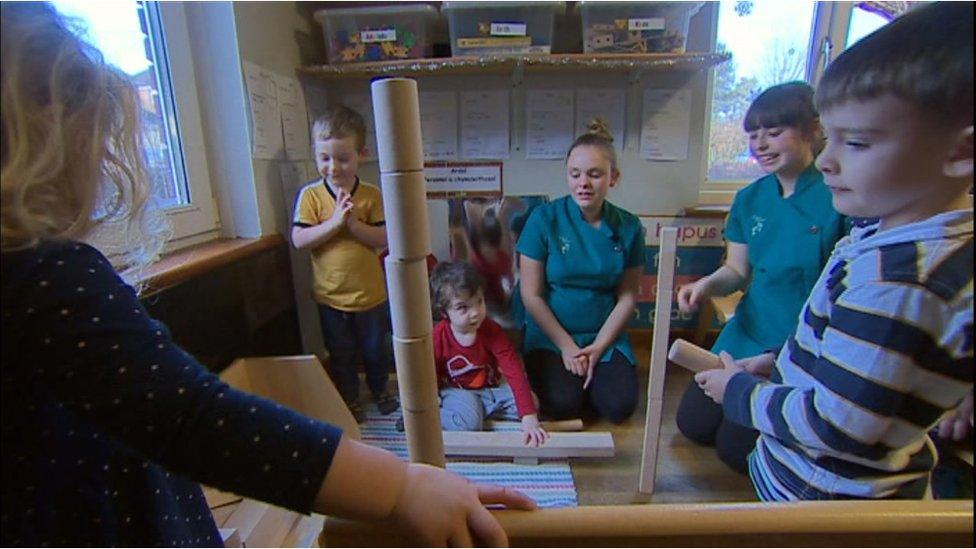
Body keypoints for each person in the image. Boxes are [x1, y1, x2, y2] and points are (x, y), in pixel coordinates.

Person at [0, 3, 535, 546]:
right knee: (347, 358)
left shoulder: (37, 276)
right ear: (52, 143)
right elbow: (197, 419)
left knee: (375, 357)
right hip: (96, 520)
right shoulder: (42, 280)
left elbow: (180, 417)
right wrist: (397, 488)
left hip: (367, 301)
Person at [695, 1, 973, 500]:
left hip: (825, 499)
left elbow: (838, 426)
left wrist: (742, 394)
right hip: (817, 470)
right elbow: (853, 351)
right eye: (833, 137)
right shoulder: (891, 238)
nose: (828, 162)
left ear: (961, 152)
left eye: (858, 143)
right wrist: (780, 360)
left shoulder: (901, 280)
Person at [674, 82, 848, 473]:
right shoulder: (750, 199)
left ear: (812, 130)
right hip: (748, 328)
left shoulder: (837, 196)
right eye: (753, 135)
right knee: (694, 425)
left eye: (773, 133)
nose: (761, 145)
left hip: (798, 339)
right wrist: (703, 286)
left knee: (734, 452)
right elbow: (736, 272)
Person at [517, 119, 645, 423]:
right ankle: (575, 382)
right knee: (562, 405)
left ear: (613, 178)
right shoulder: (543, 219)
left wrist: (598, 348)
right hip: (552, 336)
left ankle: (592, 378)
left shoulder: (629, 226)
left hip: (604, 335)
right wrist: (567, 348)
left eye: (594, 174)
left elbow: (627, 296)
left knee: (619, 408)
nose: (583, 183)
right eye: (575, 174)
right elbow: (531, 295)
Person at [292, 105, 398, 421]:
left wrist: (353, 225)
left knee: (376, 351)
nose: (333, 167)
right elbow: (299, 240)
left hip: (370, 297)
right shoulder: (310, 196)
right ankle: (350, 398)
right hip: (330, 296)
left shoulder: (370, 194)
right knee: (341, 354)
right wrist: (336, 222)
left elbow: (384, 238)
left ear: (361, 154)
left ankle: (380, 390)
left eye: (342, 158)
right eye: (324, 158)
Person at [428, 261, 548, 446]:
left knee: (531, 402)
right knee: (470, 423)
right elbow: (428, 372)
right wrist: (430, 402)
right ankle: (451, 414)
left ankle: (480, 410)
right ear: (444, 312)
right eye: (463, 308)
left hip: (490, 391)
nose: (475, 312)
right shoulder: (438, 337)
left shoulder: (492, 330)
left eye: (479, 302)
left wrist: (529, 416)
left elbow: (513, 370)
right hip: (457, 392)